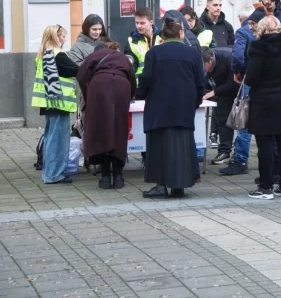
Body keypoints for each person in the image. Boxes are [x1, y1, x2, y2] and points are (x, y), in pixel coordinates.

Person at [137, 16, 205, 199]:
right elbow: (200, 82)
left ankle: (161, 186)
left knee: (158, 145)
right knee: (182, 144)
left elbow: (146, 79)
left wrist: (140, 94)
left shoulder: (154, 53)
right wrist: (196, 101)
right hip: (184, 106)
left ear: (162, 35)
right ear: (181, 33)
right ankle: (179, 186)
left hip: (158, 105)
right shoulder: (192, 54)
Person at [246, 16, 281, 200]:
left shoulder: (258, 48)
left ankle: (266, 187)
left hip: (262, 101)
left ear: (261, 29)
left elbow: (251, 78)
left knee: (265, 145)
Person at [77, 41, 136, 189]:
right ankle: (118, 176)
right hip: (122, 86)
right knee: (119, 130)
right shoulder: (122, 57)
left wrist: (88, 95)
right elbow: (132, 81)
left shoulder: (95, 55)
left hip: (99, 87)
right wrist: (128, 97)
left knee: (102, 130)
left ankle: (104, 177)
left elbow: (81, 76)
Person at [32, 25, 80, 184]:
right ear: (56, 37)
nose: (65, 39)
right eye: (63, 36)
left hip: (48, 102)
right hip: (59, 102)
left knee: (50, 138)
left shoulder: (43, 54)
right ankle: (54, 175)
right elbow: (76, 69)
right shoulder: (58, 55)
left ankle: (49, 173)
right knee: (58, 139)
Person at [221, 9, 266, 177]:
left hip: (249, 79)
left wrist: (237, 71)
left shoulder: (243, 31)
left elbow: (238, 55)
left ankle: (240, 160)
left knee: (244, 120)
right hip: (269, 85)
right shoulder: (275, 37)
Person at [202, 47, 239, 165]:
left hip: (237, 88)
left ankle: (239, 153)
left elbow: (234, 82)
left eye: (205, 66)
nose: (204, 69)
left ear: (211, 60)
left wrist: (215, 92)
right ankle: (224, 150)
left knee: (242, 123)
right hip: (221, 89)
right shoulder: (206, 62)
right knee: (222, 118)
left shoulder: (228, 58)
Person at [125, 7, 158, 85]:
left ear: (151, 22)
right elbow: (130, 66)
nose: (139, 26)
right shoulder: (132, 41)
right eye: (137, 23)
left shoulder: (162, 37)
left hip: (159, 84)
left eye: (142, 23)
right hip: (140, 85)